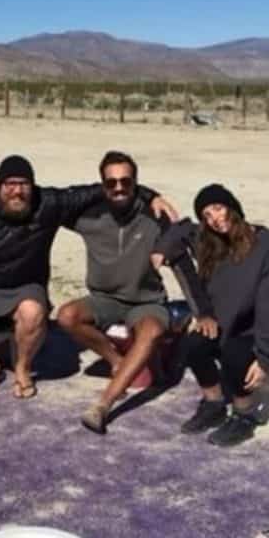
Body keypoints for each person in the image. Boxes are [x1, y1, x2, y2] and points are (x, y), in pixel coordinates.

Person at [0, 155, 176, 400]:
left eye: (23, 184)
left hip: (27, 286)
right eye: (10, 184)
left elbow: (108, 188)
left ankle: (23, 368)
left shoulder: (48, 203)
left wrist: (151, 195)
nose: (17, 191)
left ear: (32, 186)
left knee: (33, 312)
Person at [57, 151, 207, 434]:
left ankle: (103, 406)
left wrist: (203, 311)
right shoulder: (88, 216)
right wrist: (2, 189)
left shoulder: (155, 216)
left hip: (146, 302)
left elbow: (182, 264)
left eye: (125, 182)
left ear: (136, 183)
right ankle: (117, 362)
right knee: (66, 316)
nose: (118, 188)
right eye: (111, 183)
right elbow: (46, 204)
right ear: (102, 185)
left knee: (150, 330)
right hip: (104, 299)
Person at [159, 184, 269, 447]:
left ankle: (244, 417)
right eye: (207, 216)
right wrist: (161, 249)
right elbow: (179, 230)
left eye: (218, 208)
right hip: (228, 327)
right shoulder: (210, 242)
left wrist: (265, 356)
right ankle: (214, 404)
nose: (215, 219)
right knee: (192, 344)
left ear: (233, 207)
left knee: (234, 353)